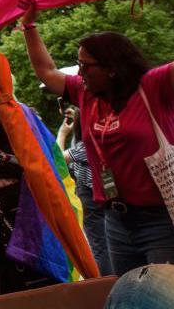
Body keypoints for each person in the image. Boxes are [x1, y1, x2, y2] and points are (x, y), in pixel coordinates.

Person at [18, 0, 174, 276]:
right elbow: (46, 72)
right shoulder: (87, 93)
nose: (80, 73)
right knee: (129, 297)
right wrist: (29, 26)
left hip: (163, 221)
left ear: (112, 67)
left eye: (86, 66)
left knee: (170, 297)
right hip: (116, 221)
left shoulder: (156, 87)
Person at [57, 105, 111, 276]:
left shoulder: (86, 146)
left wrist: (62, 134)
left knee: (99, 244)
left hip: (90, 195)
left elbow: (58, 159)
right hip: (110, 191)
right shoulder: (106, 137)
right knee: (113, 238)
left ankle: (105, 283)